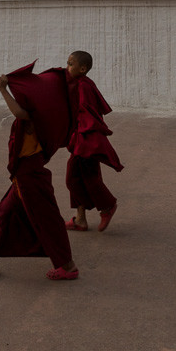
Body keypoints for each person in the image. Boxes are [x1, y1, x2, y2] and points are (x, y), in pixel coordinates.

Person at [0, 63, 78, 281]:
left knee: (46, 218)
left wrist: (3, 89)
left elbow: (18, 111)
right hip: (25, 172)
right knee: (6, 213)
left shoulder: (36, 115)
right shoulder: (51, 111)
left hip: (30, 174)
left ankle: (68, 266)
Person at [64, 50, 123, 233]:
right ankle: (80, 219)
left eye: (70, 64)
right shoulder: (80, 83)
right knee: (75, 178)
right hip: (81, 139)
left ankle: (108, 206)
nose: (67, 67)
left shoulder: (83, 87)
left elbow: (85, 114)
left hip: (87, 140)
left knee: (87, 177)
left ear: (82, 68)